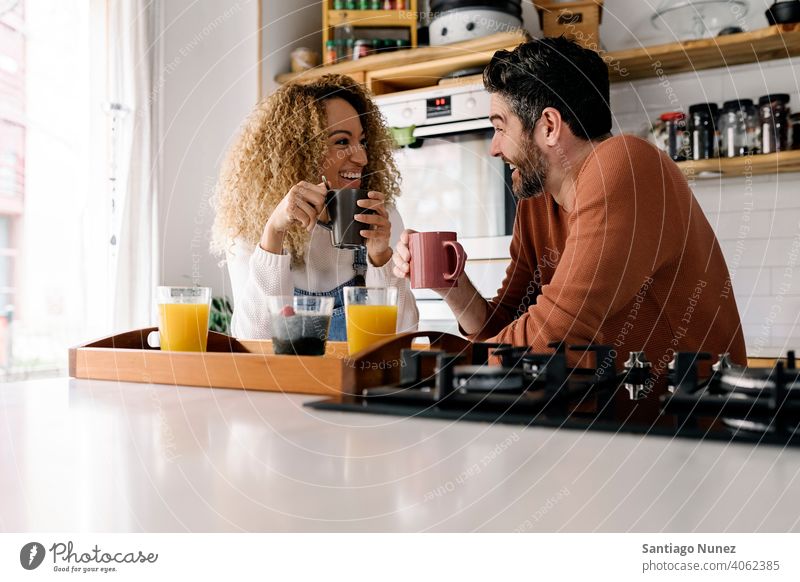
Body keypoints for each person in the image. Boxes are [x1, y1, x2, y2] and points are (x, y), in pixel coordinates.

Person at [392, 38, 745, 415]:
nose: (494, 148)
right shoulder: (536, 201)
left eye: (500, 127)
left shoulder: (628, 164)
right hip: (603, 430)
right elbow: (507, 327)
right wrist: (452, 284)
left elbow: (557, 331)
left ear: (548, 126)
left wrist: (439, 372)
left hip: (691, 434)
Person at [213, 74, 418, 340]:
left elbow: (402, 335)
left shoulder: (381, 216)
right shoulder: (249, 225)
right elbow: (254, 341)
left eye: (363, 142)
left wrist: (380, 258)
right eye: (342, 142)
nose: (362, 157)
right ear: (297, 151)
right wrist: (273, 235)